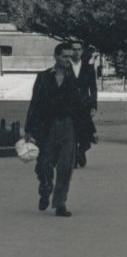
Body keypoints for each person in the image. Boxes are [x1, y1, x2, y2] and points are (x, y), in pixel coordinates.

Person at [25, 43, 88, 216]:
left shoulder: (74, 79)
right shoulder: (44, 77)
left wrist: (91, 131)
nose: (69, 59)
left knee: (65, 166)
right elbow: (35, 104)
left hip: (68, 126)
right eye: (65, 56)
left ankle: (60, 203)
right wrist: (29, 129)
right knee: (44, 164)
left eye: (70, 56)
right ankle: (45, 188)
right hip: (47, 126)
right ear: (56, 56)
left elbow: (82, 107)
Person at [69, 43, 98, 168]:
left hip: (85, 104)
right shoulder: (65, 66)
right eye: (74, 49)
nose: (76, 52)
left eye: (79, 49)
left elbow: (93, 88)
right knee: (72, 131)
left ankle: (82, 150)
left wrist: (93, 105)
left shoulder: (88, 67)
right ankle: (74, 155)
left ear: (82, 51)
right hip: (68, 104)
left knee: (86, 132)